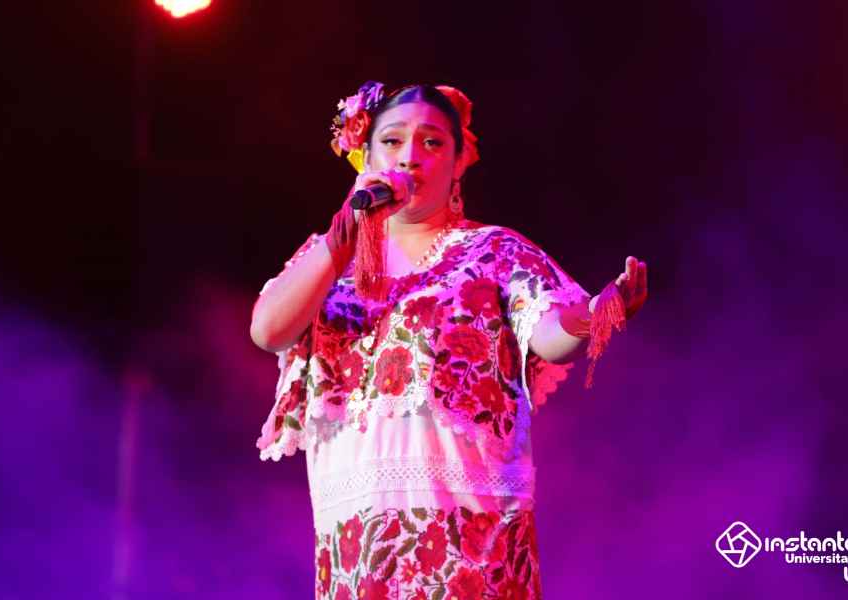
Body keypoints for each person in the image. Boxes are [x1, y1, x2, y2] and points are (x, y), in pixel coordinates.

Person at [249, 81, 648, 599]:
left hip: (469, 549)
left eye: (432, 142)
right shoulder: (326, 262)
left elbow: (549, 333)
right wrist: (344, 236)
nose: (409, 156)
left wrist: (596, 314)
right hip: (358, 552)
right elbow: (268, 330)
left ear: (459, 162)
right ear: (364, 154)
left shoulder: (493, 251)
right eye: (392, 141)